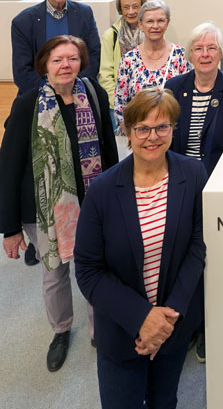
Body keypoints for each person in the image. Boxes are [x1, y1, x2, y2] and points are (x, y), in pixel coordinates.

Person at [75, 89, 207, 409]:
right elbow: (89, 271)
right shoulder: (103, 190)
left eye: (162, 127)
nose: (152, 137)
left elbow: (197, 245)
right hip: (122, 332)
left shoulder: (192, 174)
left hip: (172, 326)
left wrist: (168, 315)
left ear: (174, 130)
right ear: (128, 132)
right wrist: (142, 318)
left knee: (164, 401)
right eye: (142, 129)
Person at [0, 35, 118, 372]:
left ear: (81, 61)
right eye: (57, 60)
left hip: (93, 204)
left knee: (96, 268)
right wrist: (9, 229)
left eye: (72, 58)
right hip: (42, 210)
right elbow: (8, 166)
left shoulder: (94, 94)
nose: (65, 65)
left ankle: (101, 331)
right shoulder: (27, 104)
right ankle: (61, 330)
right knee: (55, 274)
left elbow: (108, 151)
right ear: (45, 66)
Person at [168, 22, 223, 174]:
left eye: (212, 48)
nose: (205, 54)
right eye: (198, 48)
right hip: (182, 175)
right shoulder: (174, 88)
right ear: (190, 55)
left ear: (221, 53)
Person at [11, 0, 101, 97]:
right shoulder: (23, 22)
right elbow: (22, 71)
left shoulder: (85, 14)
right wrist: (51, 92)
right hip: (38, 96)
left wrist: (74, 89)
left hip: (79, 93)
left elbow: (93, 56)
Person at [114, 0, 192, 135]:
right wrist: (135, 138)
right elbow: (121, 106)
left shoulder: (181, 56)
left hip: (174, 136)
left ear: (167, 23)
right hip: (138, 137)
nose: (155, 26)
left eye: (160, 21)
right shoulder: (128, 60)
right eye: (149, 21)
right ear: (140, 24)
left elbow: (188, 100)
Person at [98, 0, 147, 111]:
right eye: (126, 7)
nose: (131, 12)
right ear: (120, 9)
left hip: (147, 104)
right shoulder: (111, 35)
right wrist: (117, 103)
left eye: (135, 6)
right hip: (118, 106)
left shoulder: (151, 33)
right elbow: (105, 75)